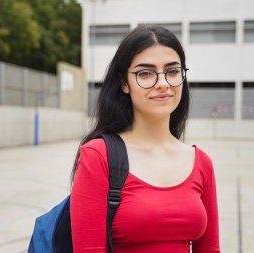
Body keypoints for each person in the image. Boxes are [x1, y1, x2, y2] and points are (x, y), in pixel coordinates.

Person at [70, 26, 220, 253]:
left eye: (172, 71)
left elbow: (209, 249)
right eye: (145, 73)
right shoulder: (98, 155)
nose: (163, 83)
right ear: (123, 83)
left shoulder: (201, 162)